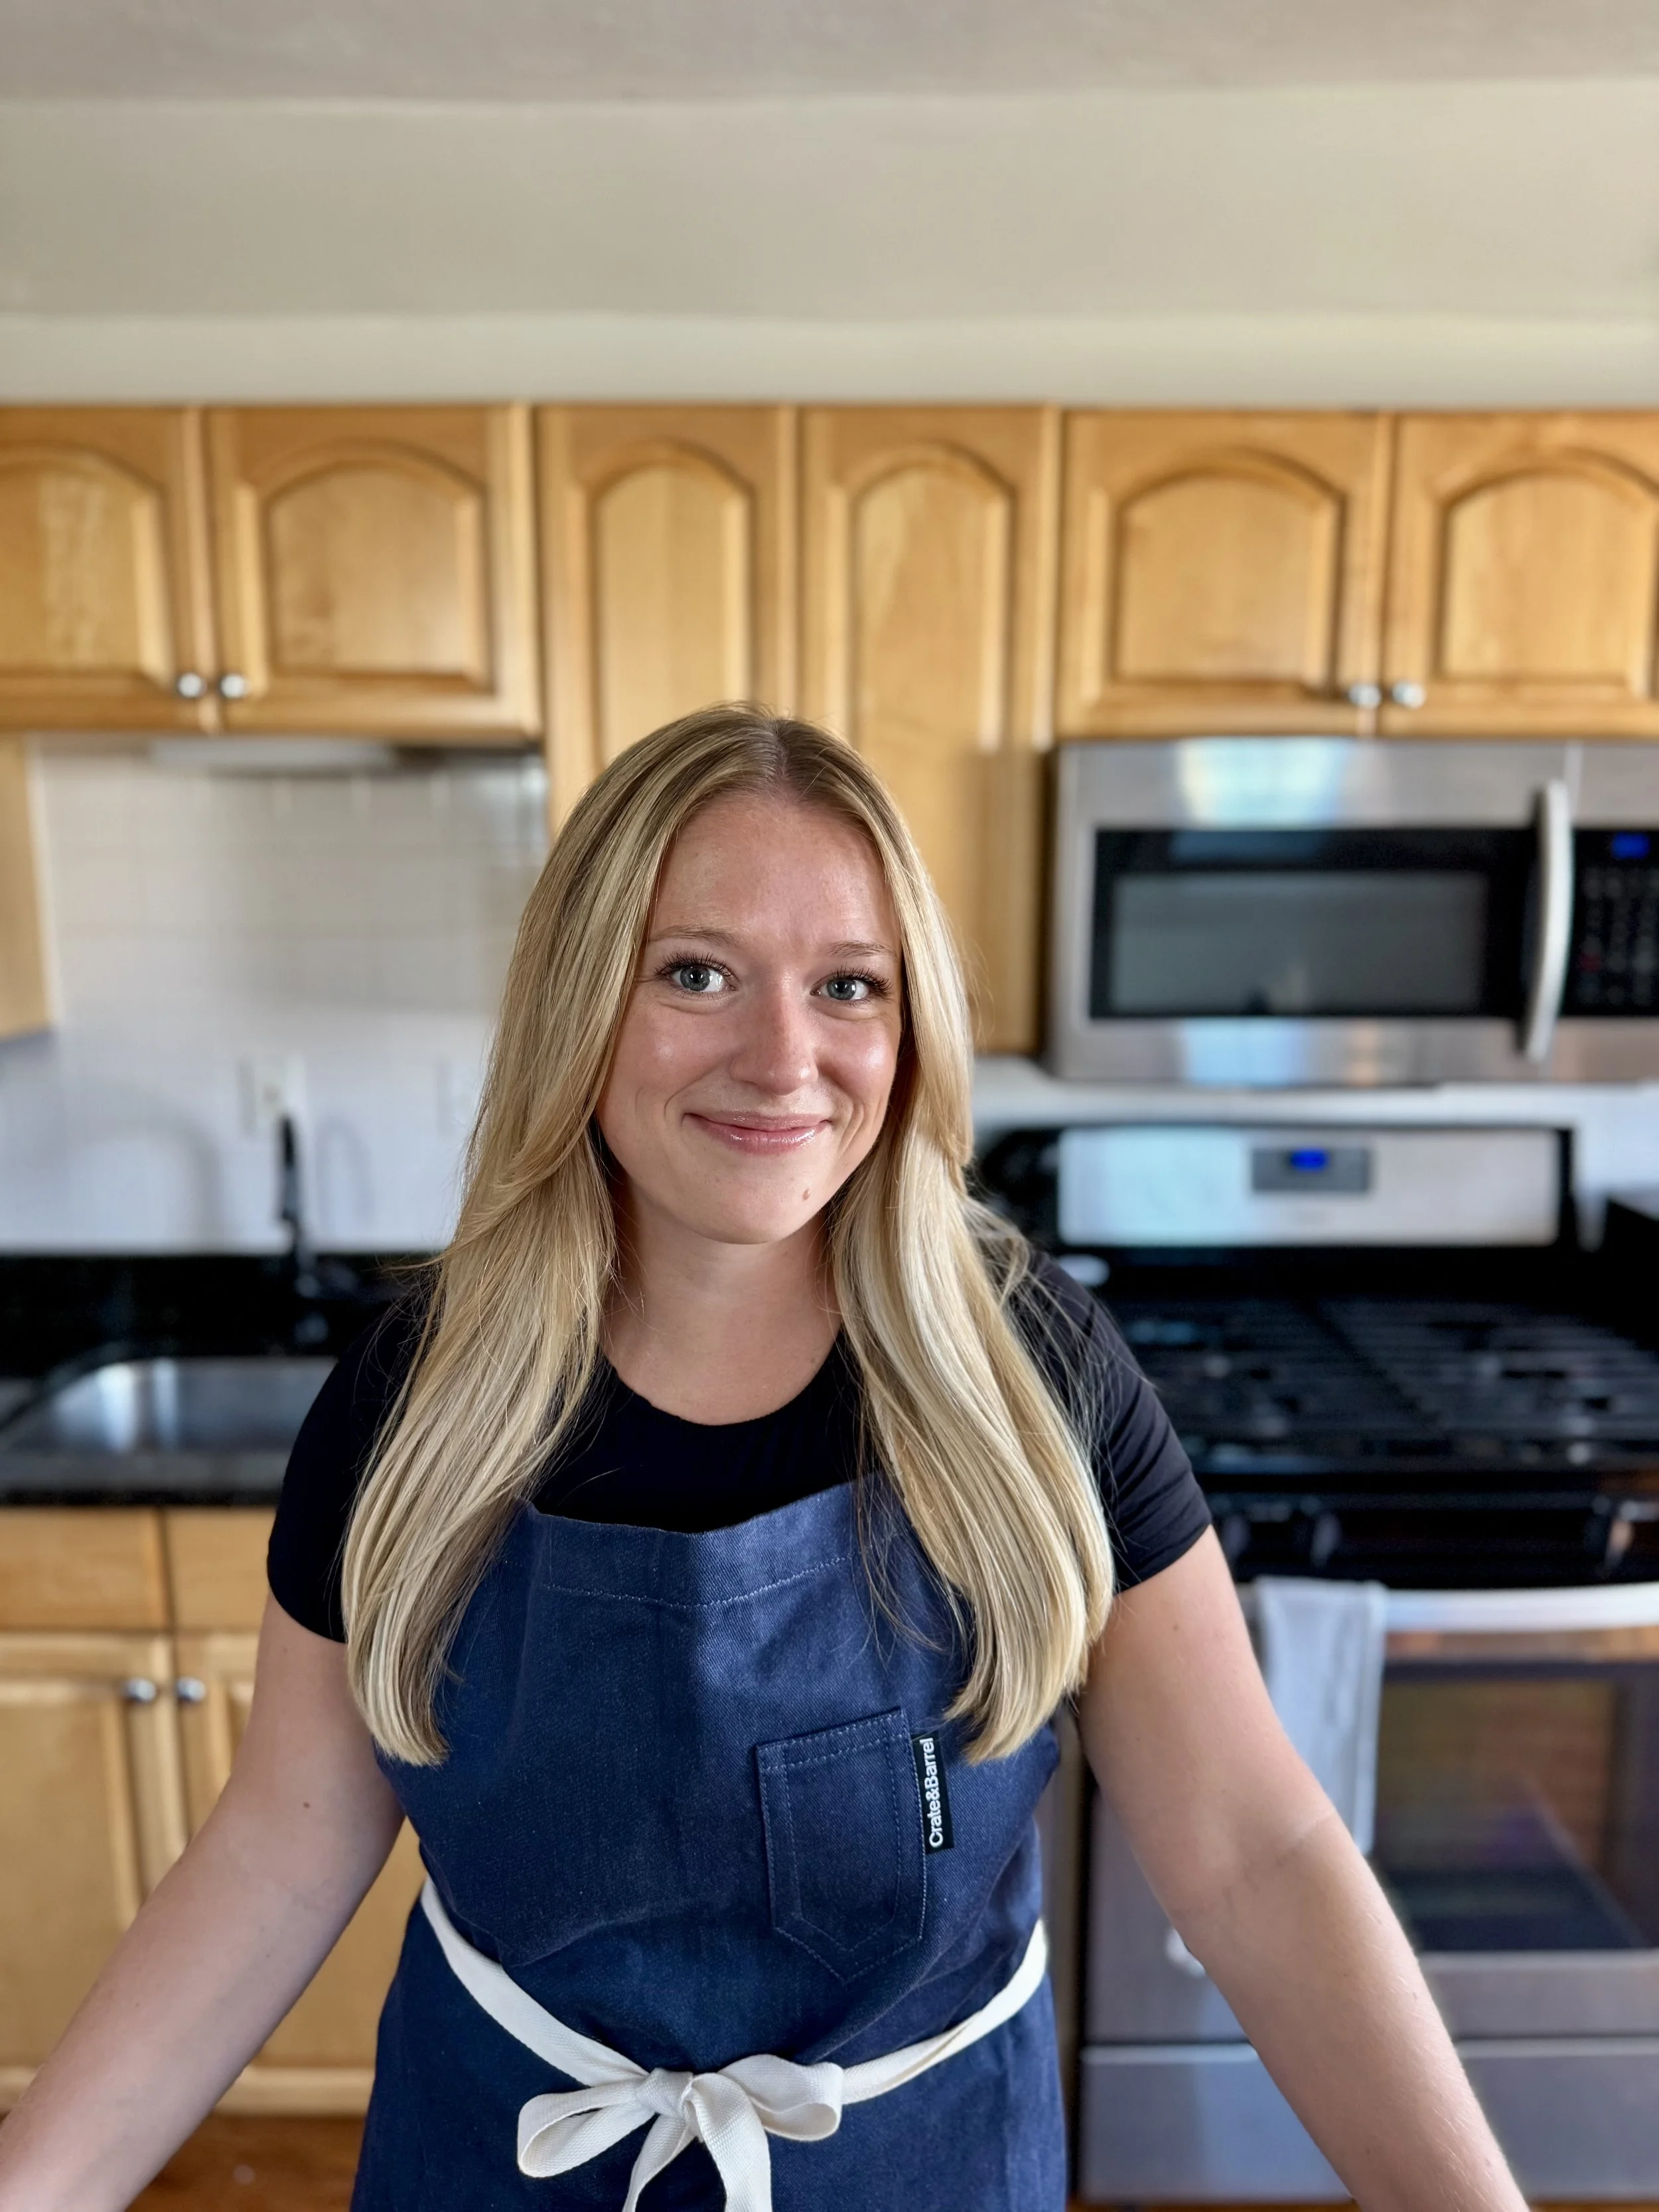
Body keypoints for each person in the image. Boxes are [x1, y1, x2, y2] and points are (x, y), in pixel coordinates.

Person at [0, 707, 1526, 2212]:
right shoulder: (416, 1390)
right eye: (696, 972)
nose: (780, 1056)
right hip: (506, 2155)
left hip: (921, 2167)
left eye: (847, 984)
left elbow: (1252, 1853)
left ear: (907, 1021)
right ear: (582, 1002)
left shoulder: (1030, 1371)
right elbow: (277, 1852)